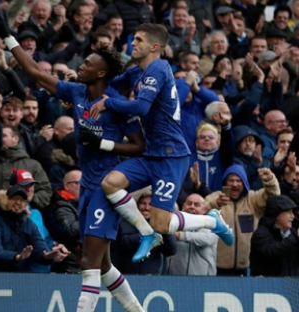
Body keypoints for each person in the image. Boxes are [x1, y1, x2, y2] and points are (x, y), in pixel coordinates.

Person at [0, 14, 147, 312]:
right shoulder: (76, 92)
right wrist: (7, 35)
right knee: (103, 264)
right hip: (87, 185)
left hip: (106, 187)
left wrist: (103, 143)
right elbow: (35, 72)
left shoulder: (116, 104)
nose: (81, 67)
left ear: (101, 74)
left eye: (88, 64)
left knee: (87, 261)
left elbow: (140, 146)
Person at [88, 23, 233, 262]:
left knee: (162, 223)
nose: (132, 43)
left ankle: (212, 221)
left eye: (138, 40)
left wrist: (107, 103)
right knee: (110, 184)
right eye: (133, 39)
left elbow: (141, 106)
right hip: (152, 154)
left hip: (171, 156)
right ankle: (147, 233)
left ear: (154, 47)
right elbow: (109, 87)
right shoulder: (137, 72)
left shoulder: (158, 69)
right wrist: (85, 85)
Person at [0, 185, 69, 272]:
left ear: (25, 204)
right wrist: (16, 256)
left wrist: (47, 255)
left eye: (21, 200)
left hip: (19, 277)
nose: (18, 202)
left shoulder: (28, 223)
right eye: (14, 198)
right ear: (6, 200)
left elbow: (39, 244)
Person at [166, 194, 218, 276]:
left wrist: (180, 235)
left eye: (197, 205)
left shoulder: (212, 224)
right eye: (189, 203)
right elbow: (169, 203)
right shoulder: (174, 222)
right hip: (173, 280)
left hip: (203, 281)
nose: (192, 207)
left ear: (204, 209)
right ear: (183, 206)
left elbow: (206, 239)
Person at [250, 195, 299, 276]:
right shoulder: (260, 235)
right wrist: (295, 237)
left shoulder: (293, 234)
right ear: (277, 214)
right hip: (267, 286)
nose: (292, 216)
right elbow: (272, 251)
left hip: (291, 286)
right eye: (289, 212)